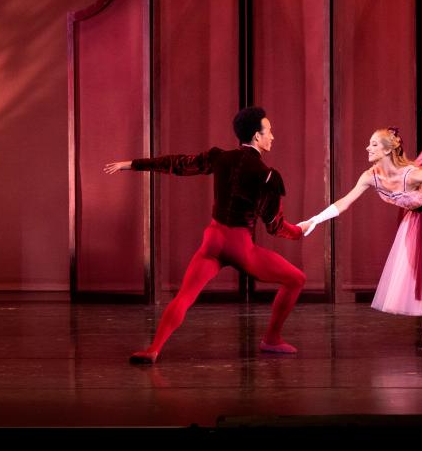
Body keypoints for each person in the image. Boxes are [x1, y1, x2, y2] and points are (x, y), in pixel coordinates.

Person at [301, 71, 422, 345]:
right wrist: (315, 220)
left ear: (385, 150)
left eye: (372, 144)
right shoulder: (370, 176)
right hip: (414, 216)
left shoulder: (412, 174)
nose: (367, 148)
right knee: (418, 267)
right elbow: (344, 202)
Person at [104, 107, 308, 363]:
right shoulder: (267, 176)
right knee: (296, 279)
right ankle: (272, 339)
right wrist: (299, 231)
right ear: (257, 136)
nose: (273, 136)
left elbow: (177, 164)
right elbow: (274, 225)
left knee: (185, 296)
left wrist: (132, 164)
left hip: (213, 241)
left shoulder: (220, 158)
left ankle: (153, 349)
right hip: (241, 247)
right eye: (270, 131)